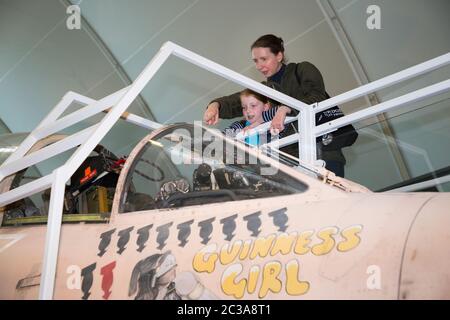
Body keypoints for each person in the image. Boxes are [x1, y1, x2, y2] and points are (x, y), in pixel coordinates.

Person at [203, 34, 357, 177]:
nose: (259, 66)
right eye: (256, 61)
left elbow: (317, 96)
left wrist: (286, 108)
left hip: (324, 152)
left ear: (279, 56)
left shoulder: (302, 69)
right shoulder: (264, 89)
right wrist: (216, 105)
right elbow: (240, 101)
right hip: (292, 161)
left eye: (264, 59)